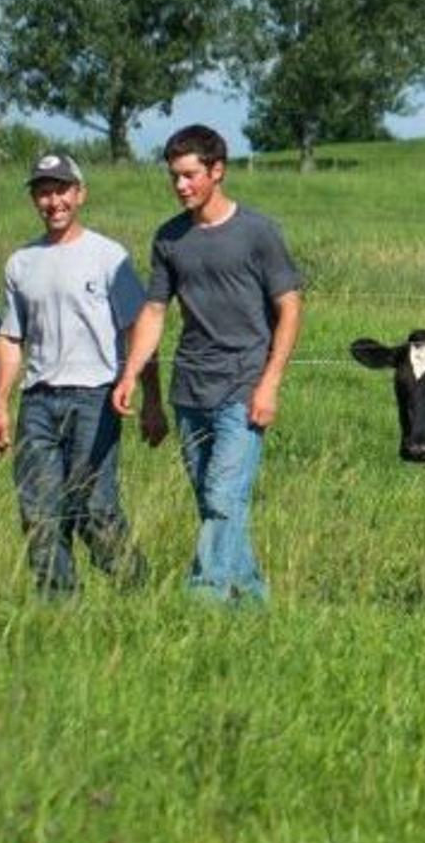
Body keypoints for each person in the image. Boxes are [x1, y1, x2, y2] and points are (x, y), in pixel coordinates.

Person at [110, 124, 303, 605]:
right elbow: (154, 312)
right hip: (190, 390)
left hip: (242, 386)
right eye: (174, 176)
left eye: (190, 175)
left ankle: (204, 601)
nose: (180, 186)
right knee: (215, 504)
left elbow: (291, 307)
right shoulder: (169, 239)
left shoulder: (258, 233)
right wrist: (132, 374)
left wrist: (269, 383)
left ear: (217, 171)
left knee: (222, 497)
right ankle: (251, 601)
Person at [0, 151, 157, 600]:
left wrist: (149, 397)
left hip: (95, 398)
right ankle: (59, 608)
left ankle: (138, 593)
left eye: (61, 189)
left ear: (80, 194)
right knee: (39, 513)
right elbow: (10, 340)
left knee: (93, 508)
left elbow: (140, 326)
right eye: (43, 192)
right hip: (38, 400)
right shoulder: (21, 262)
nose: (53, 201)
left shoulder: (107, 256)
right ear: (34, 200)